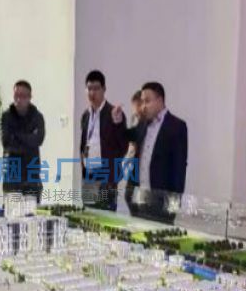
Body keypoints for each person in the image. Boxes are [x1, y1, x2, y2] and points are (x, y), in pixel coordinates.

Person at [127, 82, 188, 223]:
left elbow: (179, 169)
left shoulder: (177, 126)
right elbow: (136, 159)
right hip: (140, 201)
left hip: (162, 205)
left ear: (160, 100)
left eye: (147, 101)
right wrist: (130, 196)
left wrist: (173, 208)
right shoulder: (142, 125)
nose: (143, 106)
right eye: (142, 101)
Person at [79, 70, 128, 211]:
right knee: (88, 215)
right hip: (89, 174)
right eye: (89, 88)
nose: (92, 93)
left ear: (104, 89)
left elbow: (123, 146)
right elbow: (84, 145)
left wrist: (118, 123)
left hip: (106, 175)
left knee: (105, 215)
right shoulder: (86, 115)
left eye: (96, 88)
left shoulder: (114, 113)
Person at [0, 80, 46, 201]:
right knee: (12, 210)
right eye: (16, 95)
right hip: (12, 174)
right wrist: (29, 138)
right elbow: (6, 142)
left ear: (30, 97)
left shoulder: (37, 117)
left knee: (32, 210)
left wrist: (16, 135)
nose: (19, 99)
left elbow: (39, 140)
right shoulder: (6, 116)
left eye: (23, 96)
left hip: (31, 174)